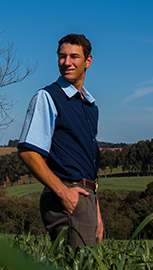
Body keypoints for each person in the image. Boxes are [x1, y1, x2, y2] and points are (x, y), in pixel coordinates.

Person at [17, 34, 103, 247]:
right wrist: (63, 193)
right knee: (74, 261)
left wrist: (95, 209)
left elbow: (85, 163)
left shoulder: (90, 105)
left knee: (87, 261)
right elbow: (28, 152)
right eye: (62, 56)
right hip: (66, 198)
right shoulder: (47, 97)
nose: (66, 62)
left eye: (74, 56)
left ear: (88, 61)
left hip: (86, 198)